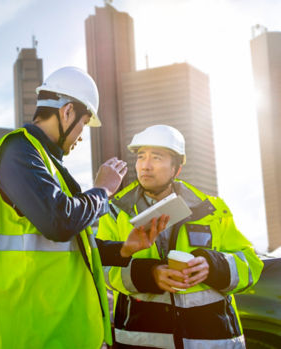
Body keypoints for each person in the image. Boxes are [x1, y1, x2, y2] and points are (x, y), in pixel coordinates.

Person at [0, 67, 168, 349]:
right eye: (84, 123)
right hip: (31, 331)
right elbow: (59, 222)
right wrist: (103, 191)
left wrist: (123, 249)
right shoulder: (18, 151)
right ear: (66, 113)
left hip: (58, 328)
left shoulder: (48, 164)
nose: (81, 135)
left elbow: (71, 246)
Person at [97, 124, 264, 349]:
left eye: (156, 158)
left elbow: (251, 263)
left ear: (176, 169)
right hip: (141, 341)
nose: (145, 166)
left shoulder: (212, 210)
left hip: (213, 341)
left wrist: (213, 266)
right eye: (141, 157)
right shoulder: (116, 212)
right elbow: (103, 269)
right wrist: (149, 274)